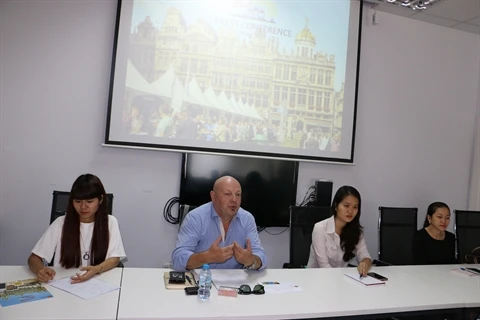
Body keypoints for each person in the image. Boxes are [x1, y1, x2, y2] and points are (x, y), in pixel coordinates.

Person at [28, 174, 126, 283]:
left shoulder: (110, 222)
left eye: (89, 201)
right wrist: (40, 270)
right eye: (78, 201)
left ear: (101, 199)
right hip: (64, 283)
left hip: (99, 281)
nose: (83, 207)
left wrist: (96, 269)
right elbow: (33, 258)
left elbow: (115, 258)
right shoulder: (61, 223)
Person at [172, 176, 267, 271]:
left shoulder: (247, 219)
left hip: (235, 282)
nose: (234, 199)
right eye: (227, 194)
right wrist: (207, 257)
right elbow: (177, 259)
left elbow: (260, 255)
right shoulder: (195, 217)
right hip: (202, 281)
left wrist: (251, 261)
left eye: (238, 195)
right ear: (213, 196)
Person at [307, 185, 372, 276]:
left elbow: (365, 256)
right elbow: (324, 266)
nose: (350, 211)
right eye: (346, 206)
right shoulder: (320, 228)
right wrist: (341, 281)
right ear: (336, 206)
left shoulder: (356, 231)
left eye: (355, 207)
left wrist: (365, 263)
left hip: (340, 280)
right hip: (317, 279)